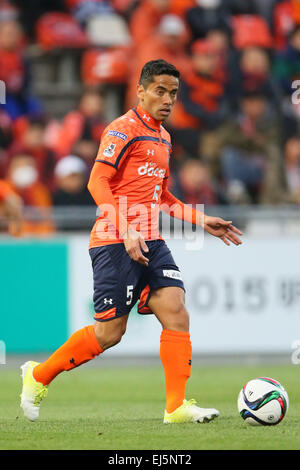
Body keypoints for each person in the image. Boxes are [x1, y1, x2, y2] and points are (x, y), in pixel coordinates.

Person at [20, 59, 242, 424]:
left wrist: (200, 219)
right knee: (110, 333)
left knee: (175, 309)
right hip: (114, 239)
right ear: (140, 91)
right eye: (159, 91)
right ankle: (38, 375)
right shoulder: (122, 130)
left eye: (173, 93)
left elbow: (163, 196)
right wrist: (126, 229)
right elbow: (96, 182)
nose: (167, 99)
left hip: (149, 238)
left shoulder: (164, 137)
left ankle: (175, 407)